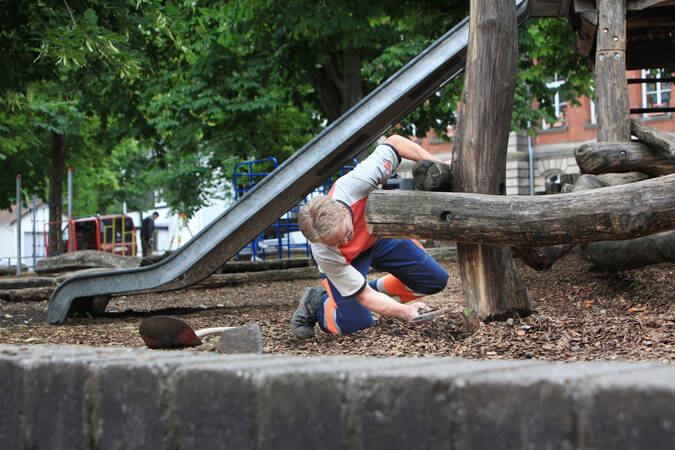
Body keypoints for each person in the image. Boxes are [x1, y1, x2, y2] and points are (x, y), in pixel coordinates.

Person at [291, 135, 450, 338]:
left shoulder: (355, 184)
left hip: (379, 237)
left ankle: (360, 290)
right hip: (348, 262)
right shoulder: (323, 251)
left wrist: (437, 165)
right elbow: (364, 296)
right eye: (337, 243)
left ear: (342, 210)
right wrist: (404, 312)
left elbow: (395, 143)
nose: (346, 242)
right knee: (356, 326)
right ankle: (319, 304)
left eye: (346, 233)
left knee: (434, 280)